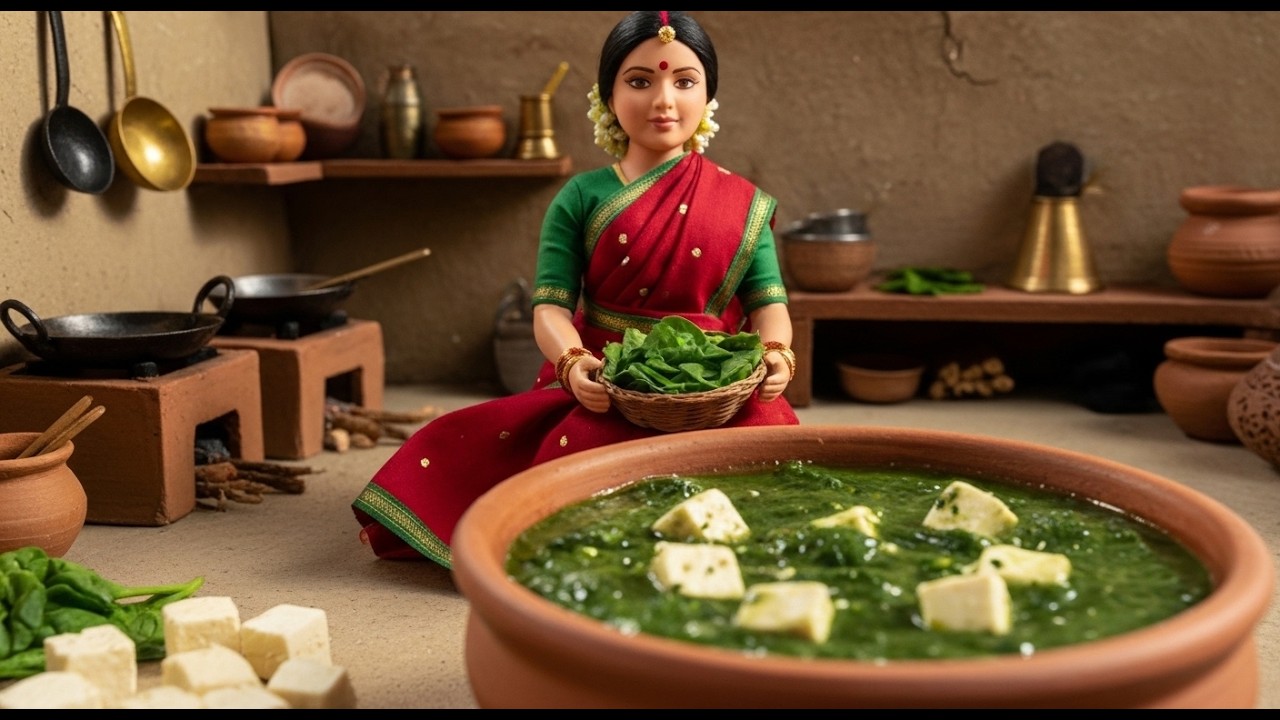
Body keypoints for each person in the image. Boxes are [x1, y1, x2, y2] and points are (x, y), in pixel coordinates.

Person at [352, 10, 799, 568]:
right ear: (608, 96)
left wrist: (777, 355)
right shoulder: (581, 197)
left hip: (716, 386)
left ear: (709, 95)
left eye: (684, 81)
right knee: (556, 480)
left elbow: (769, 305)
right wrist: (572, 362)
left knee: (778, 475)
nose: (663, 100)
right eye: (640, 81)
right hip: (608, 376)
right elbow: (550, 308)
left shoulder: (743, 202)